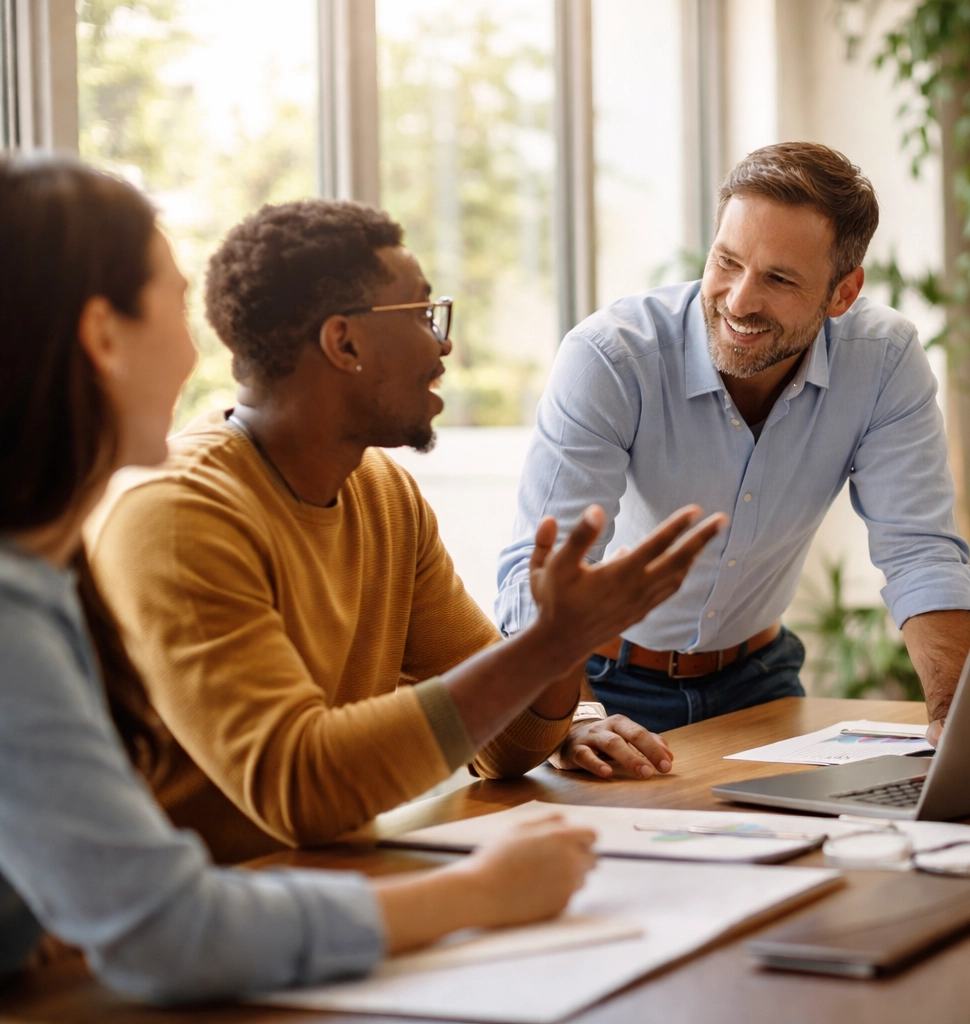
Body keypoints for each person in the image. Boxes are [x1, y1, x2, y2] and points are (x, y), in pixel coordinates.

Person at [0, 156, 615, 1003]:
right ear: (104, 336)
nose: (196, 349)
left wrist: (555, 653)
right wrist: (479, 895)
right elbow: (177, 921)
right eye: (173, 304)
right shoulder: (120, 544)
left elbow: (506, 740)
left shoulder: (40, 565)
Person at [84, 198, 725, 864]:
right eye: (422, 314)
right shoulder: (176, 516)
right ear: (346, 342)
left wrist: (560, 644)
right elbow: (300, 789)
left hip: (327, 888)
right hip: (198, 927)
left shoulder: (381, 492)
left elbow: (508, 746)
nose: (444, 344)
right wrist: (551, 643)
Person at [495, 142, 970, 773]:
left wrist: (955, 714)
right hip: (600, 685)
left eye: (779, 279)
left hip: (760, 680)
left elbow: (919, 548)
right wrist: (575, 717)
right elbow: (539, 577)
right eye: (727, 261)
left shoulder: (883, 361)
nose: (739, 300)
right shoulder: (612, 358)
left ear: (843, 293)